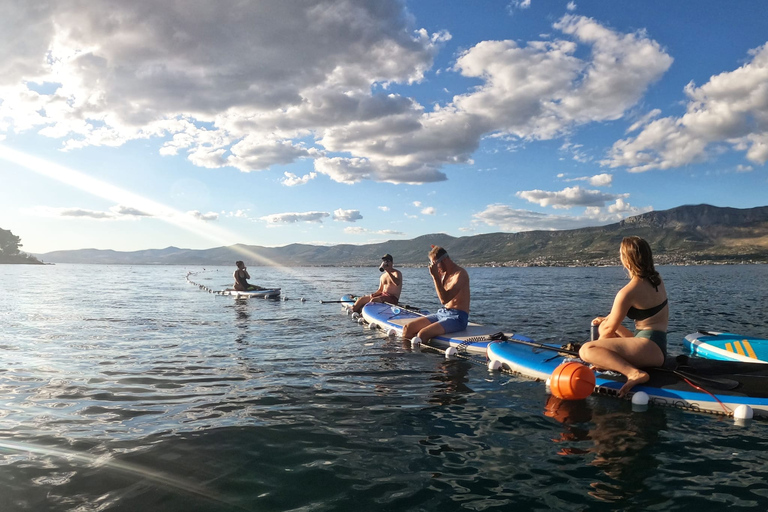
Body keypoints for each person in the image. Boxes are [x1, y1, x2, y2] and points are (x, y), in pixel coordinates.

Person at [579, 236, 668, 397]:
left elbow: (606, 331)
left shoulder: (628, 292)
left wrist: (599, 359)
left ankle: (634, 373)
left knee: (586, 349)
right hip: (656, 344)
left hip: (649, 347)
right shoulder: (657, 279)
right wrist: (606, 321)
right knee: (606, 324)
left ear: (627, 260)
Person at [402, 246, 470, 342]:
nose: (435, 268)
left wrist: (435, 277)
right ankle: (406, 356)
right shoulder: (444, 274)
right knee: (407, 328)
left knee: (423, 334)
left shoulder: (460, 274)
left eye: (435, 264)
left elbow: (444, 299)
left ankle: (423, 355)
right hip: (443, 313)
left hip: (457, 317)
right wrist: (437, 276)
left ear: (445, 260)